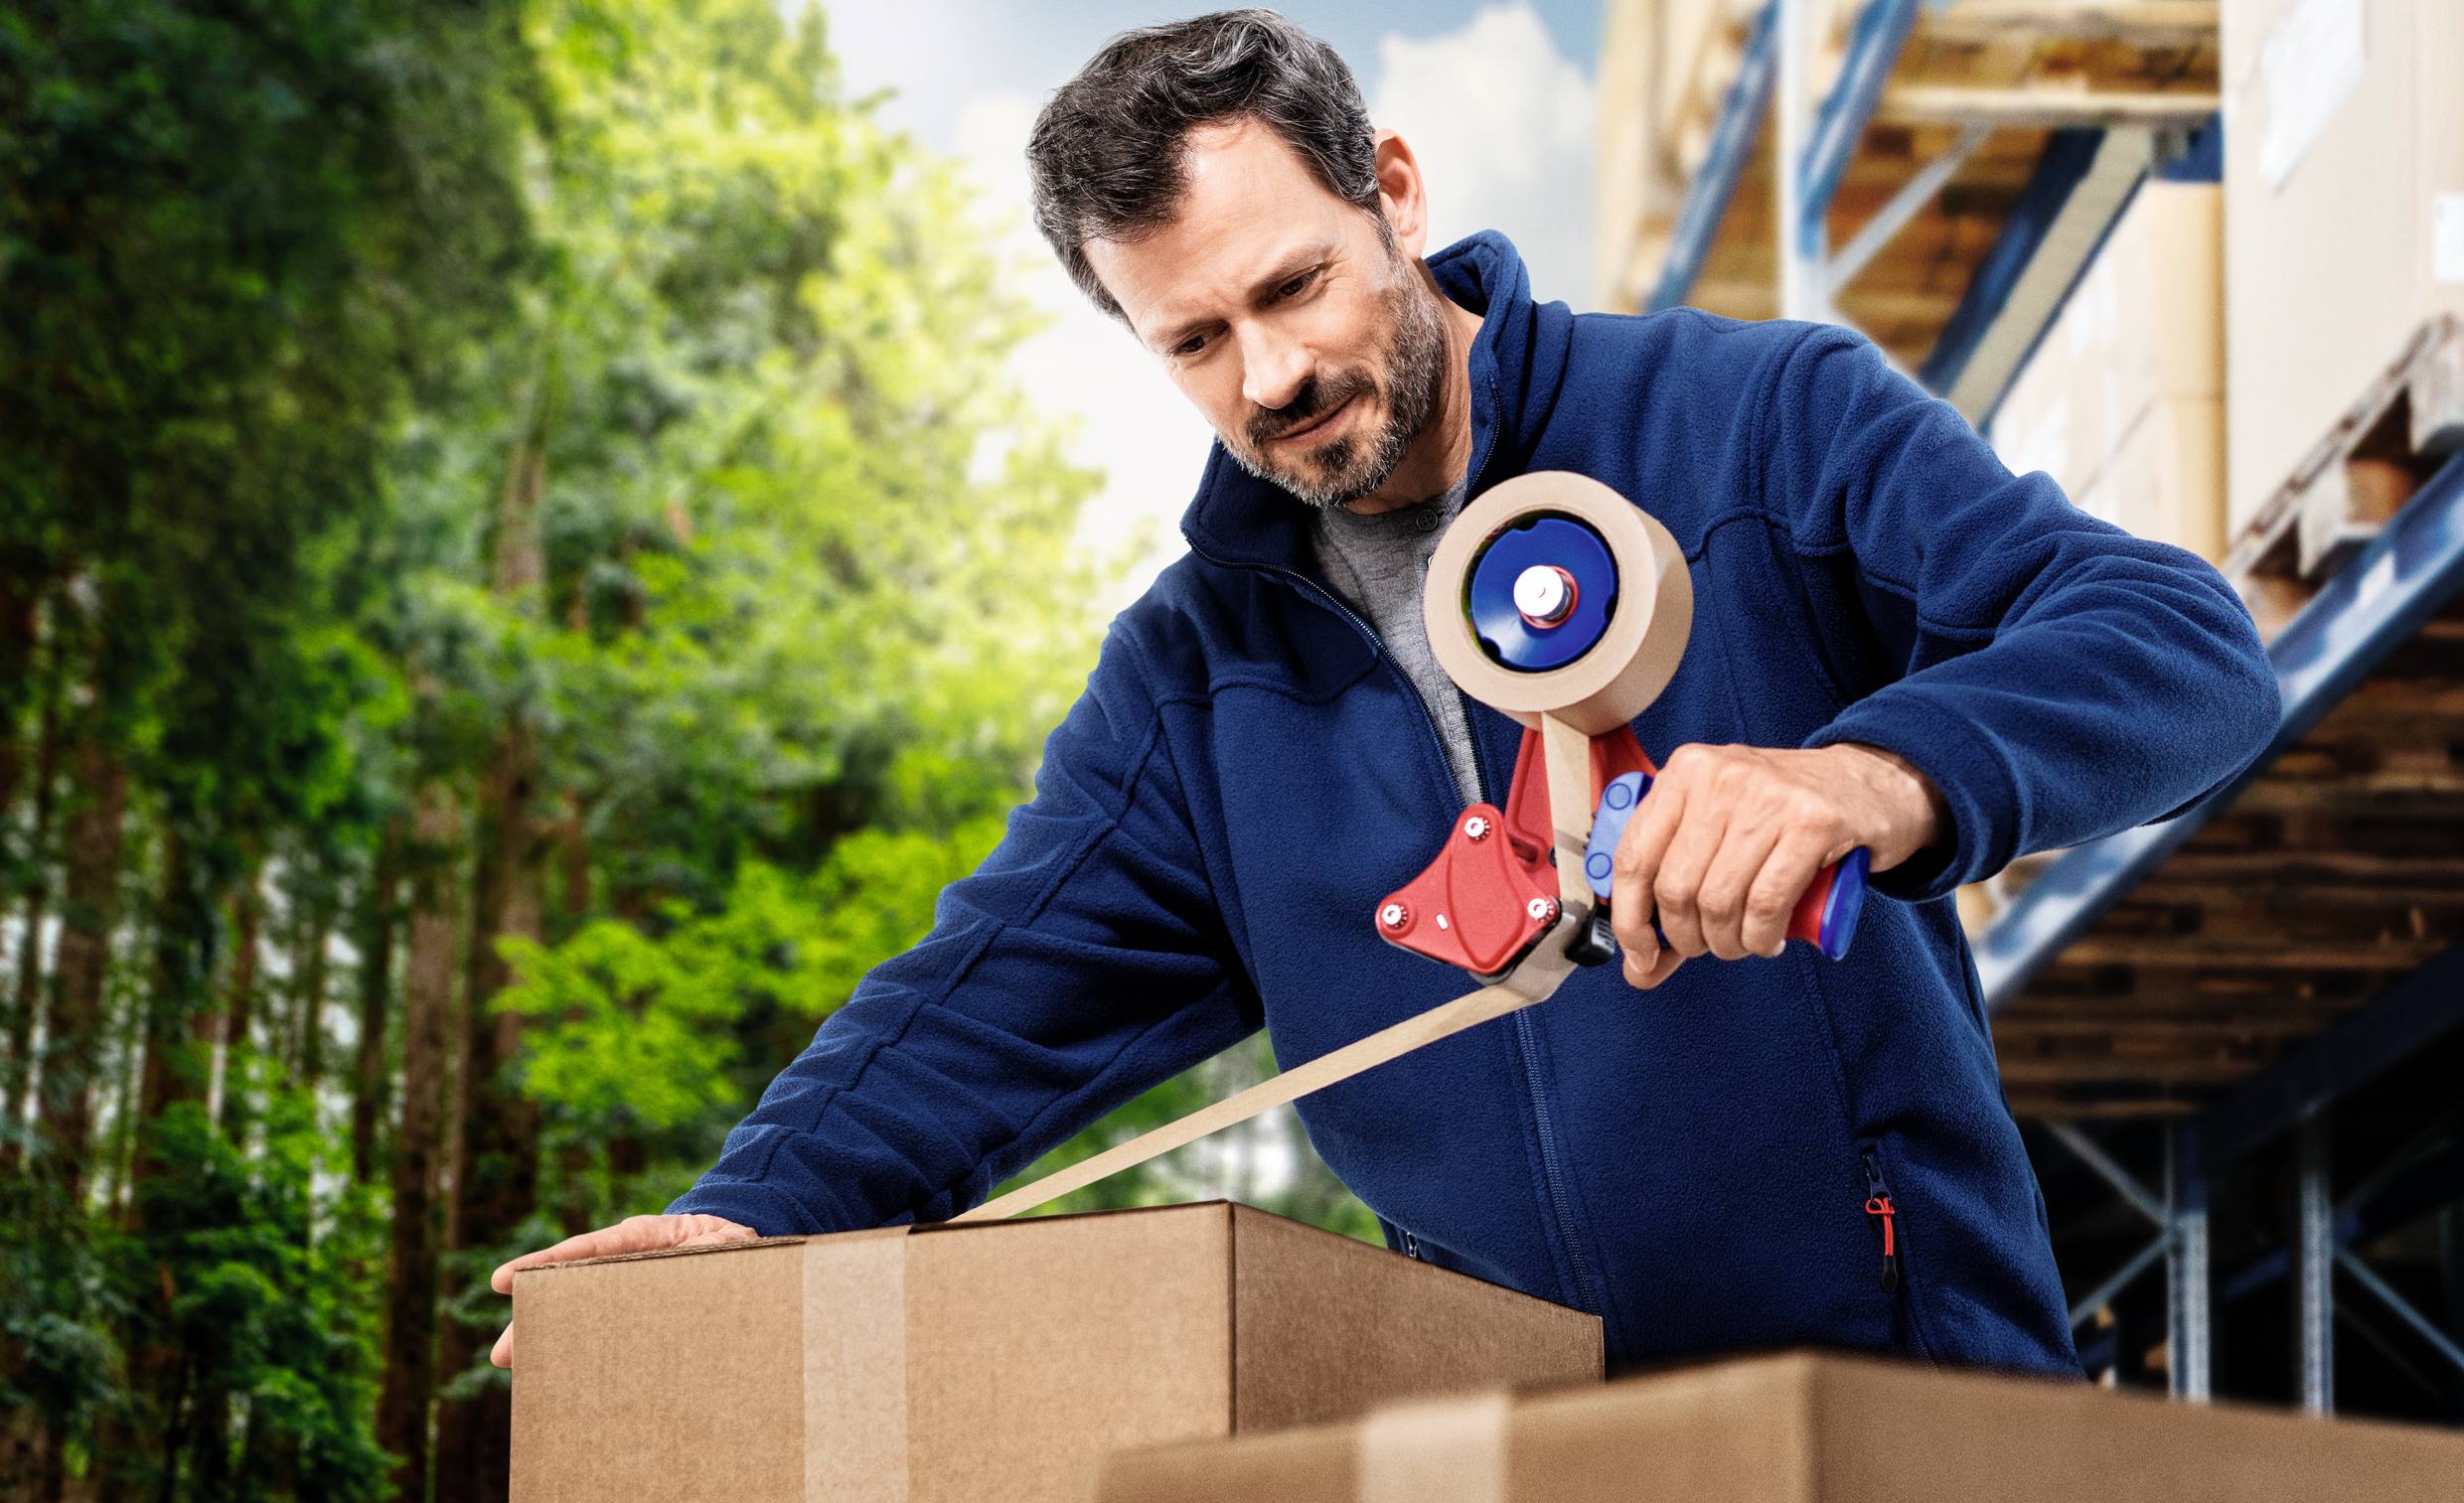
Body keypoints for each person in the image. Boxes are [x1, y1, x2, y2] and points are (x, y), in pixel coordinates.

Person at [491, 10, 2278, 1376]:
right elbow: (979, 1002)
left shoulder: (1755, 423)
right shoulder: (1195, 685)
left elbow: (2183, 645)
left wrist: (1870, 777)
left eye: (1294, 285)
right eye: (1193, 339)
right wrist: (744, 1217)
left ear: (1396, 197)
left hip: (1909, 1406)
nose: (1271, 374)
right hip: (1515, 1484)